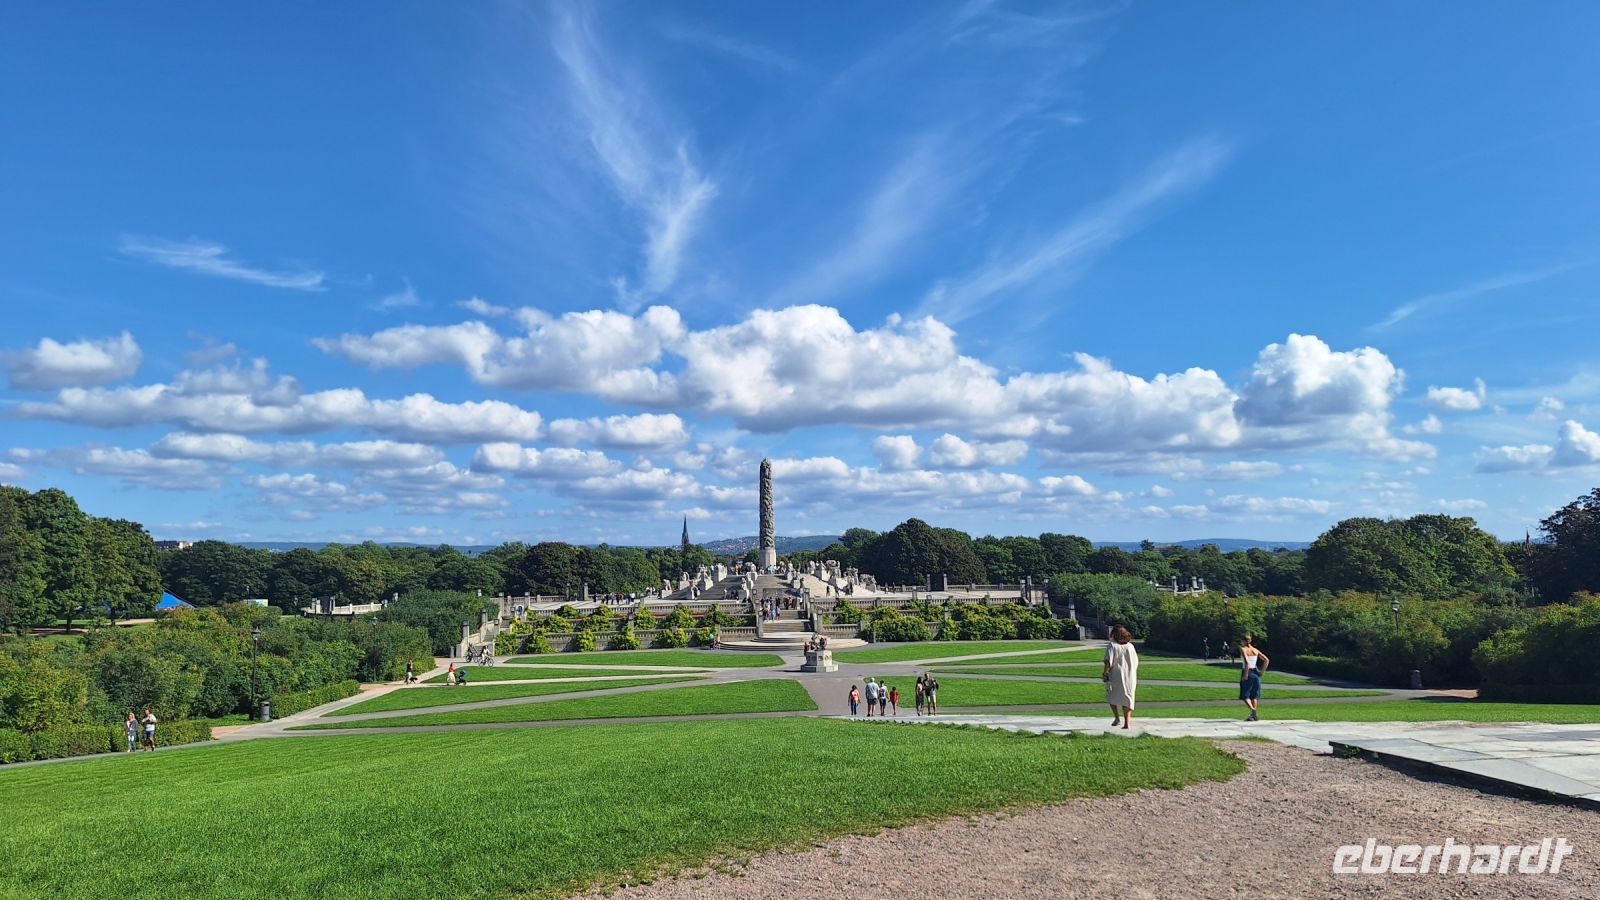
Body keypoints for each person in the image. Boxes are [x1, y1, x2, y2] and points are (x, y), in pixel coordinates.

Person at [1103, 625, 1140, 729]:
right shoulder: (1130, 646)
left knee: (1111, 696)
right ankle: (1127, 723)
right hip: (1130, 675)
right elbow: (1136, 661)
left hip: (1116, 675)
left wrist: (1105, 673)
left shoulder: (1112, 646)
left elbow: (1108, 661)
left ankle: (1117, 717)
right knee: (1128, 698)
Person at [1239, 634, 1270, 721]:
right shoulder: (1255, 650)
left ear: (1243, 641)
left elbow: (1247, 662)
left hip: (1248, 671)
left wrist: (1245, 674)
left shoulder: (1243, 649)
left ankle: (1253, 711)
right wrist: (1262, 672)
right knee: (1254, 695)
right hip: (1255, 673)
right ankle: (1253, 715)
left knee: (1245, 695)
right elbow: (1266, 660)